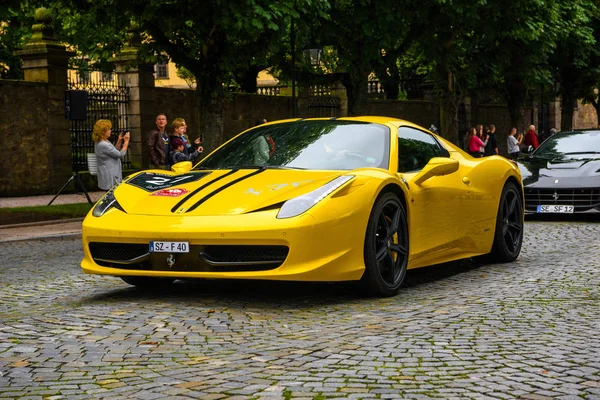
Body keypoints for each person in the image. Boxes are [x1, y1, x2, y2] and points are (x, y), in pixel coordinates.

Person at [92, 119, 129, 190]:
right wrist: (126, 142)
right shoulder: (103, 144)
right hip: (110, 175)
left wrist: (119, 141)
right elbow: (120, 154)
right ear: (103, 131)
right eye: (108, 129)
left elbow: (113, 152)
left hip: (111, 173)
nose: (110, 131)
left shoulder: (104, 141)